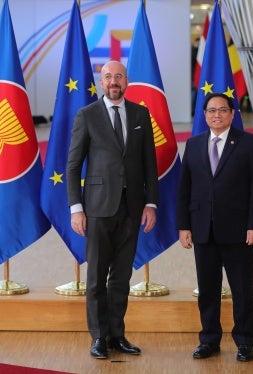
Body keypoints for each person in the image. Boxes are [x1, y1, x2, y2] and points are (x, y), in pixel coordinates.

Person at [66, 60, 158, 359]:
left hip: (132, 209)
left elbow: (149, 165)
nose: (113, 81)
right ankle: (98, 337)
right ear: (101, 82)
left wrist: (151, 203)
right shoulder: (87, 115)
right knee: (95, 278)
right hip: (97, 208)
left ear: (126, 81)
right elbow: (72, 165)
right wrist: (76, 208)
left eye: (118, 76)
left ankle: (117, 335)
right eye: (108, 77)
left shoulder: (141, 113)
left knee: (120, 277)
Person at [176, 93, 253, 362]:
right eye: (211, 110)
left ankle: (245, 341)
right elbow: (184, 189)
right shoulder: (193, 145)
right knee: (207, 289)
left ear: (232, 113)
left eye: (222, 110)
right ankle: (209, 340)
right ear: (204, 115)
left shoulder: (249, 143)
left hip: (239, 230)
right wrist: (183, 225)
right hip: (202, 228)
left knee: (241, 289)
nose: (217, 115)